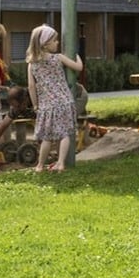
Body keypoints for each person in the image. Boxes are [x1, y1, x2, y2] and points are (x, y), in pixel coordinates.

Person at [26, 24, 83, 172]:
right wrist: (76, 56)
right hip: (65, 101)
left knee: (47, 138)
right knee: (64, 135)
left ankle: (39, 166)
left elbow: (31, 87)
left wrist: (35, 105)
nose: (57, 43)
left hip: (46, 106)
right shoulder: (58, 58)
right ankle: (61, 163)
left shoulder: (32, 64)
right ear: (45, 44)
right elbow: (78, 67)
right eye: (55, 40)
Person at [0, 85, 35, 162]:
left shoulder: (37, 97)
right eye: (13, 106)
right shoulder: (15, 109)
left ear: (25, 99)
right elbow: (2, 126)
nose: (16, 109)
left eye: (17, 106)